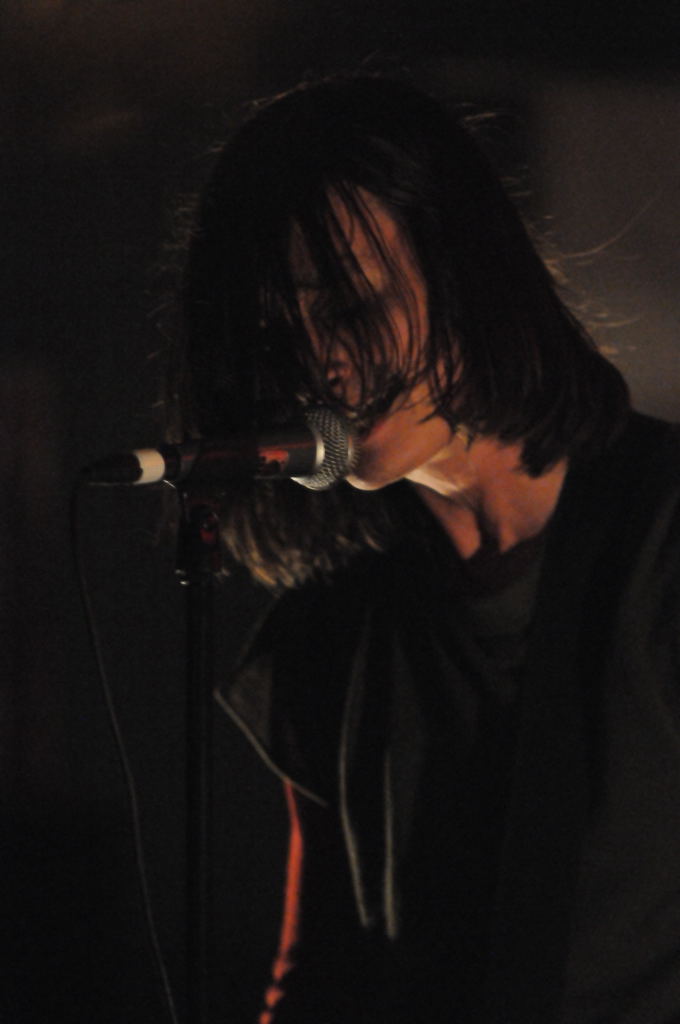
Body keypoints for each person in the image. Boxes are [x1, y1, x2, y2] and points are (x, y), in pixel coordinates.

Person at [181, 73, 680, 1023]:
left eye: (348, 305)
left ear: (465, 268)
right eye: (282, 334)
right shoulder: (333, 626)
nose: (320, 364)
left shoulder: (659, 535)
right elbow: (319, 974)